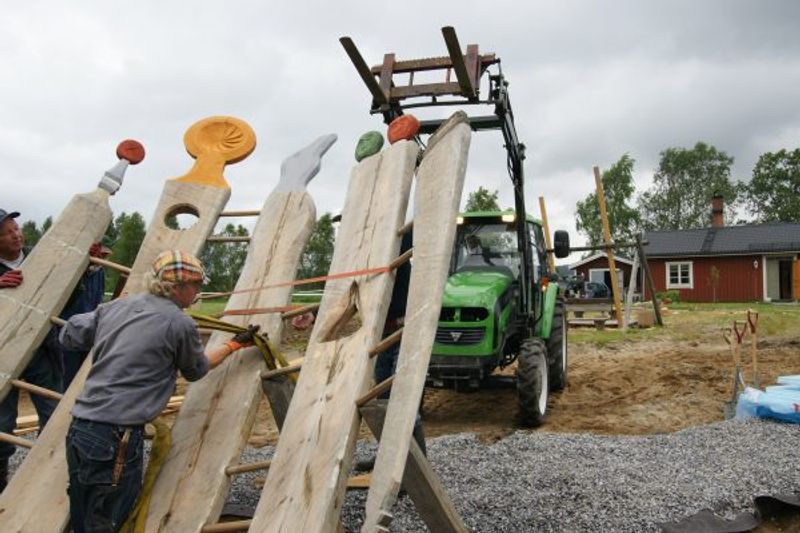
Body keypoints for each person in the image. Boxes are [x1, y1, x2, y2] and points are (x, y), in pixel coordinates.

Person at [59, 250, 260, 532]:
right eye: (196, 285)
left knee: (83, 511)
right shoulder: (179, 323)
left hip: (81, 428)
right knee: (109, 519)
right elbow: (196, 370)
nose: (199, 291)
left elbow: (69, 334)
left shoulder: (117, 307)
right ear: (176, 287)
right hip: (117, 437)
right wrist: (233, 345)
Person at [0, 208, 64, 492]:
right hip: (3, 354)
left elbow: (68, 292)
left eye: (16, 228)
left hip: (42, 350)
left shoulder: (41, 258)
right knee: (3, 422)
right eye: (7, 232)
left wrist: (89, 267)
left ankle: (51, 477)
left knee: (53, 413)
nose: (16, 235)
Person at [59, 238, 112, 387]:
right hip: (68, 330)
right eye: (100, 255)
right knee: (67, 376)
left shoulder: (100, 272)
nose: (102, 259)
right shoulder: (76, 273)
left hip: (88, 332)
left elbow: (98, 300)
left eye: (104, 256)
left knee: (84, 377)